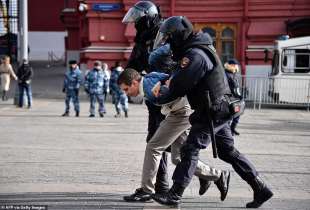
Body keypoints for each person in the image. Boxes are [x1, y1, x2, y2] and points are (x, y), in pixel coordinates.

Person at [150, 16, 273, 208]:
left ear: (179, 36)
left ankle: (175, 194)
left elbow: (180, 84)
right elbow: (179, 74)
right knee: (228, 151)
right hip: (220, 108)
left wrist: (158, 96)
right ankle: (261, 188)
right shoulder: (196, 49)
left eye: (169, 38)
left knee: (190, 149)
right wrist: (166, 78)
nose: (168, 42)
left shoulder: (196, 55)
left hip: (213, 111)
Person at [118, 67, 230, 202]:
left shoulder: (149, 89)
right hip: (183, 110)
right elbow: (167, 76)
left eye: (126, 89)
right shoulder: (150, 76)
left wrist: (166, 91)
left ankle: (146, 190)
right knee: (178, 158)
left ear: (134, 83)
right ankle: (218, 175)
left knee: (153, 147)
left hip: (180, 113)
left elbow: (171, 92)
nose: (126, 94)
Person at [122, 0, 169, 194]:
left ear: (148, 19)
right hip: (153, 99)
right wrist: (124, 79)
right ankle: (161, 184)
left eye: (138, 21)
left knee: (164, 143)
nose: (134, 25)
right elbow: (133, 63)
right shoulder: (143, 38)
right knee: (160, 141)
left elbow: (169, 66)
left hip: (167, 98)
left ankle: (162, 185)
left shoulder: (164, 36)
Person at [224, 59, 243, 136]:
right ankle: (227, 131)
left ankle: (232, 129)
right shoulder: (227, 74)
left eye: (236, 65)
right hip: (230, 99)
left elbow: (236, 87)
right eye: (234, 65)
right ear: (230, 66)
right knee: (230, 116)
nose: (236, 66)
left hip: (236, 98)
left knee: (237, 114)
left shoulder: (234, 74)